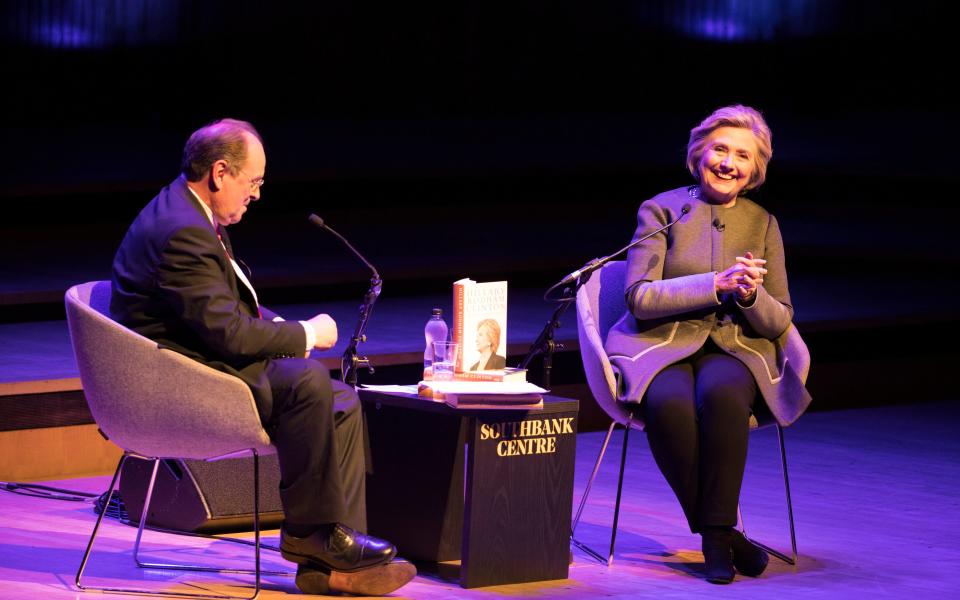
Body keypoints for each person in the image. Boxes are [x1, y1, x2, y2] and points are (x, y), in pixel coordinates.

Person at [110, 118, 415, 596]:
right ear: (220, 172)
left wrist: (276, 328)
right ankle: (306, 537)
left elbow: (223, 312)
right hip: (175, 384)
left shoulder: (190, 212)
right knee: (309, 382)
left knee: (341, 402)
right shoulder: (181, 232)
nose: (256, 194)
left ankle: (333, 564)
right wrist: (303, 334)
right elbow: (228, 334)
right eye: (253, 182)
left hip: (196, 360)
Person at [604, 105, 812, 584]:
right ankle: (722, 535)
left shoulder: (762, 223)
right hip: (660, 344)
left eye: (743, 156)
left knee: (721, 398)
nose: (728, 162)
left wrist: (749, 294)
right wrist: (714, 283)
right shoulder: (660, 210)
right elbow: (639, 297)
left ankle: (716, 536)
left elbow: (781, 316)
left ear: (754, 170)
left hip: (733, 346)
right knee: (670, 405)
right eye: (720, 149)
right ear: (700, 154)